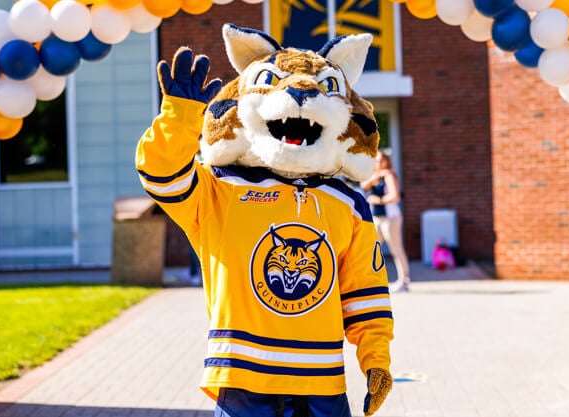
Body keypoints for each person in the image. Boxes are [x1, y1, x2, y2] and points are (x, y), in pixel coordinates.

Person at [136, 24, 393, 417]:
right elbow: (162, 176)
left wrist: (376, 359)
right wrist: (180, 119)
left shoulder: (348, 202)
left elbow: (364, 291)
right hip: (242, 380)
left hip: (321, 381)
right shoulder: (220, 189)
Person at [361, 150, 410, 292]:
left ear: (386, 161)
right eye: (376, 160)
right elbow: (364, 185)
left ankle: (404, 281)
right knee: (373, 249)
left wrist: (379, 200)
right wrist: (376, 175)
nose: (379, 163)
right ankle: (371, 280)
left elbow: (395, 196)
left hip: (391, 218)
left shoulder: (389, 175)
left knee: (396, 249)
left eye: (381, 160)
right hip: (376, 217)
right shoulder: (375, 176)